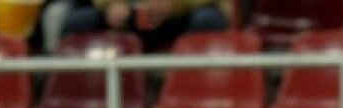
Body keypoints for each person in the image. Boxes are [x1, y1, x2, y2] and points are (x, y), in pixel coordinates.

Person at [60, 0, 231, 54]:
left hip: (177, 17)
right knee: (79, 21)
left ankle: (196, 85)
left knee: (209, 19)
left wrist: (176, 4)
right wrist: (112, 4)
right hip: (128, 17)